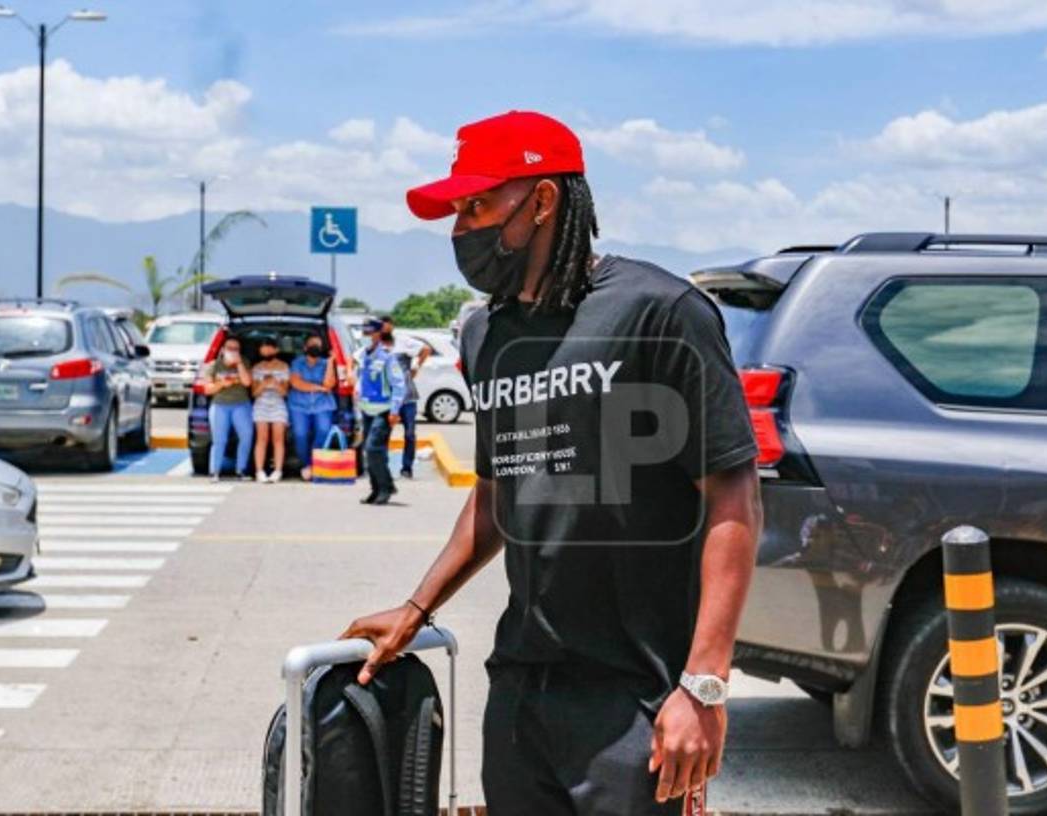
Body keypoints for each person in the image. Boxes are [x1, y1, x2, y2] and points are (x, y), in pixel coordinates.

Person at [342, 111, 763, 814]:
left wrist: (704, 685)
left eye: (478, 205)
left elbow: (735, 497)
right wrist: (418, 607)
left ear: (543, 200)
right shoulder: (486, 333)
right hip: (519, 693)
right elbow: (499, 492)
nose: (461, 229)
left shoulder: (658, 312)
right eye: (455, 211)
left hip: (637, 698)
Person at [356, 318, 407, 505]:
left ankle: (386, 487)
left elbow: (399, 385)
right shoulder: (362, 356)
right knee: (369, 452)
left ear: (378, 334)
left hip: (384, 411)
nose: (366, 336)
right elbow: (361, 383)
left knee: (373, 448)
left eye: (370, 333)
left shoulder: (387, 357)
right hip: (366, 409)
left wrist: (394, 411)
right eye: (364, 333)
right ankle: (376, 488)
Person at [380, 316, 430, 479]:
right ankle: (383, 466)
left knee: (409, 433)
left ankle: (406, 468)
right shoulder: (376, 346)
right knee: (383, 433)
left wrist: (416, 367)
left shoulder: (403, 341)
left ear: (392, 327)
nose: (385, 330)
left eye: (387, 327)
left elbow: (425, 349)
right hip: (387, 398)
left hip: (407, 396)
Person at [201, 333, 253, 482]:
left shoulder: (244, 362)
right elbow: (207, 389)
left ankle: (241, 470)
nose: (233, 351)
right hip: (220, 405)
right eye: (230, 348)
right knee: (219, 439)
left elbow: (247, 382)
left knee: (246, 436)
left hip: (241, 404)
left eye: (236, 349)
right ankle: (215, 471)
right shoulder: (214, 365)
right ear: (223, 350)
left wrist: (239, 364)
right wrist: (221, 384)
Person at [288, 333, 338, 481]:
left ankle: (315, 464)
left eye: (318, 345)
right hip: (299, 405)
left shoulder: (325, 363)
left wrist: (330, 363)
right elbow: (296, 383)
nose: (315, 347)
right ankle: (307, 464)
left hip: (322, 405)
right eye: (312, 344)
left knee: (323, 430)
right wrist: (319, 388)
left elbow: (329, 384)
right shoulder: (297, 362)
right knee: (300, 434)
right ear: (305, 347)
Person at [250, 336, 290, 483]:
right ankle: (259, 471)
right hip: (261, 405)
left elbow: (285, 392)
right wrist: (263, 384)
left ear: (276, 349)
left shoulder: (284, 367)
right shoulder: (256, 368)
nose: (265, 350)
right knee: (261, 438)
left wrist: (275, 383)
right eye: (263, 347)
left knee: (278, 439)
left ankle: (277, 470)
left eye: (269, 347)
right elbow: (254, 393)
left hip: (278, 405)